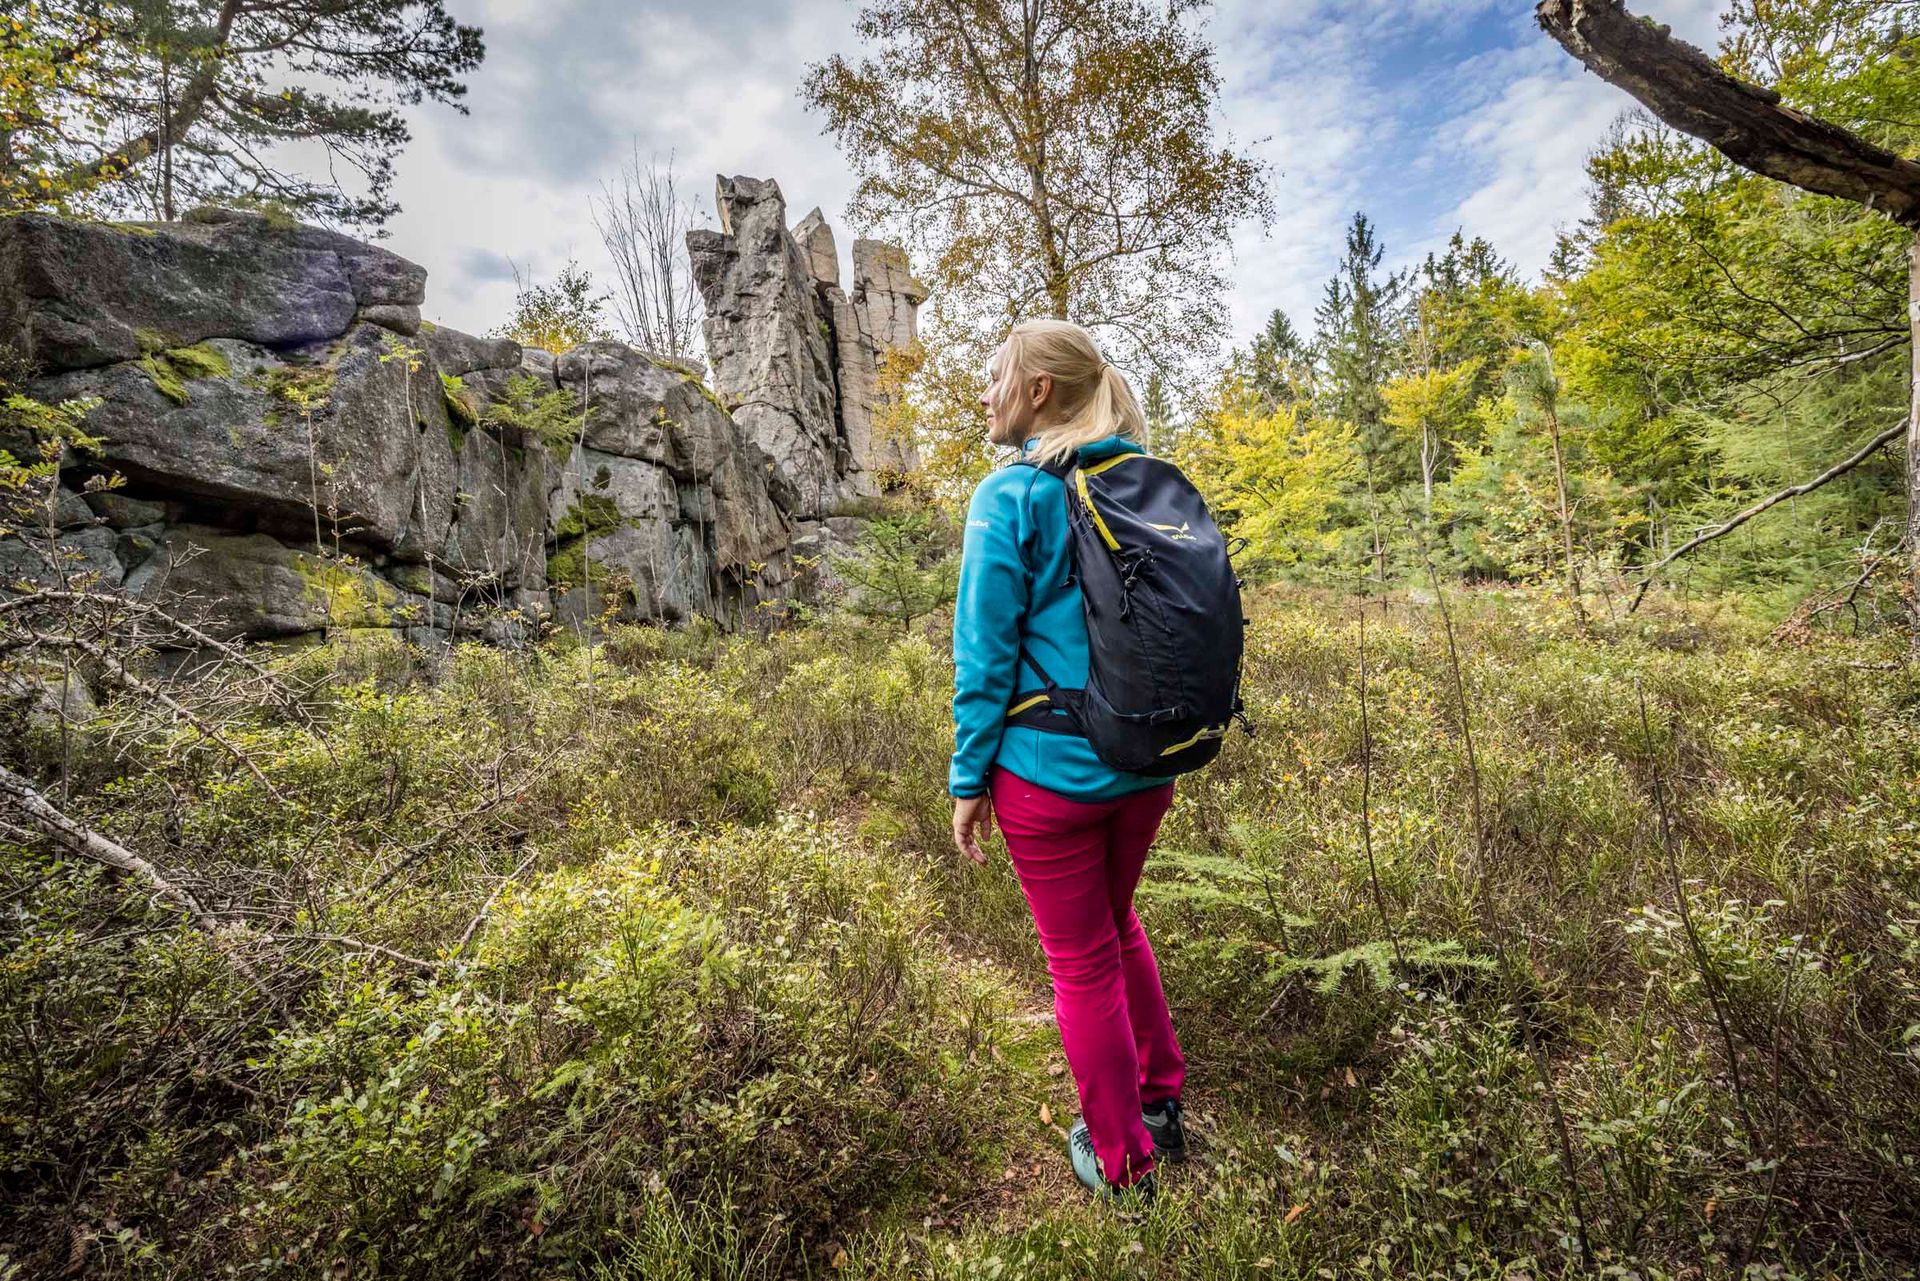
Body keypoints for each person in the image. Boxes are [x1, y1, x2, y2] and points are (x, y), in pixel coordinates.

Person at [948, 317, 1187, 1201]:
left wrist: (967, 781)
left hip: (1050, 778)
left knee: (1080, 960)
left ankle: (1124, 1162)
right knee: (1118, 925)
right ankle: (1161, 1100)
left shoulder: (1009, 497)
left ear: (1038, 390)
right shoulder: (1145, 483)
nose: (985, 392)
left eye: (995, 376)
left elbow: (984, 659)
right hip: (1149, 764)